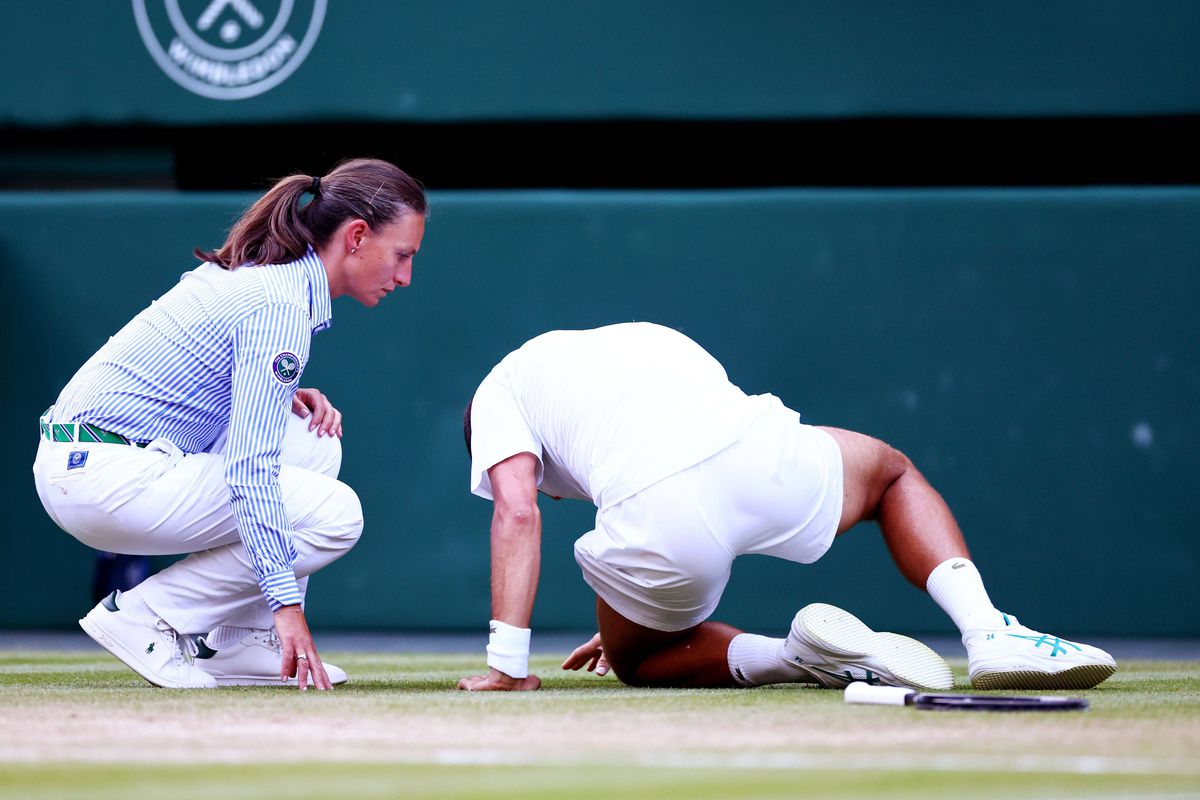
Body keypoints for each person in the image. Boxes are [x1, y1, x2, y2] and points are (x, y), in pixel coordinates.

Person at [458, 322, 1117, 692]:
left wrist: (508, 666)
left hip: (659, 508)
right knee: (891, 474)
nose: (552, 493)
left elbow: (517, 512)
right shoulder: (588, 355)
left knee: (640, 662)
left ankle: (793, 655)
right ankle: (990, 631)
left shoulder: (499, 393)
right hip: (754, 447)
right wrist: (636, 605)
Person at [33, 158, 427, 690]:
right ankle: (148, 617)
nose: (405, 277)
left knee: (312, 444)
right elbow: (248, 469)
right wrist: (285, 600)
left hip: (89, 463)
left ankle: (240, 640)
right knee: (338, 516)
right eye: (402, 255)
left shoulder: (270, 280)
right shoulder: (280, 302)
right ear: (356, 236)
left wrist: (280, 394)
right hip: (102, 475)